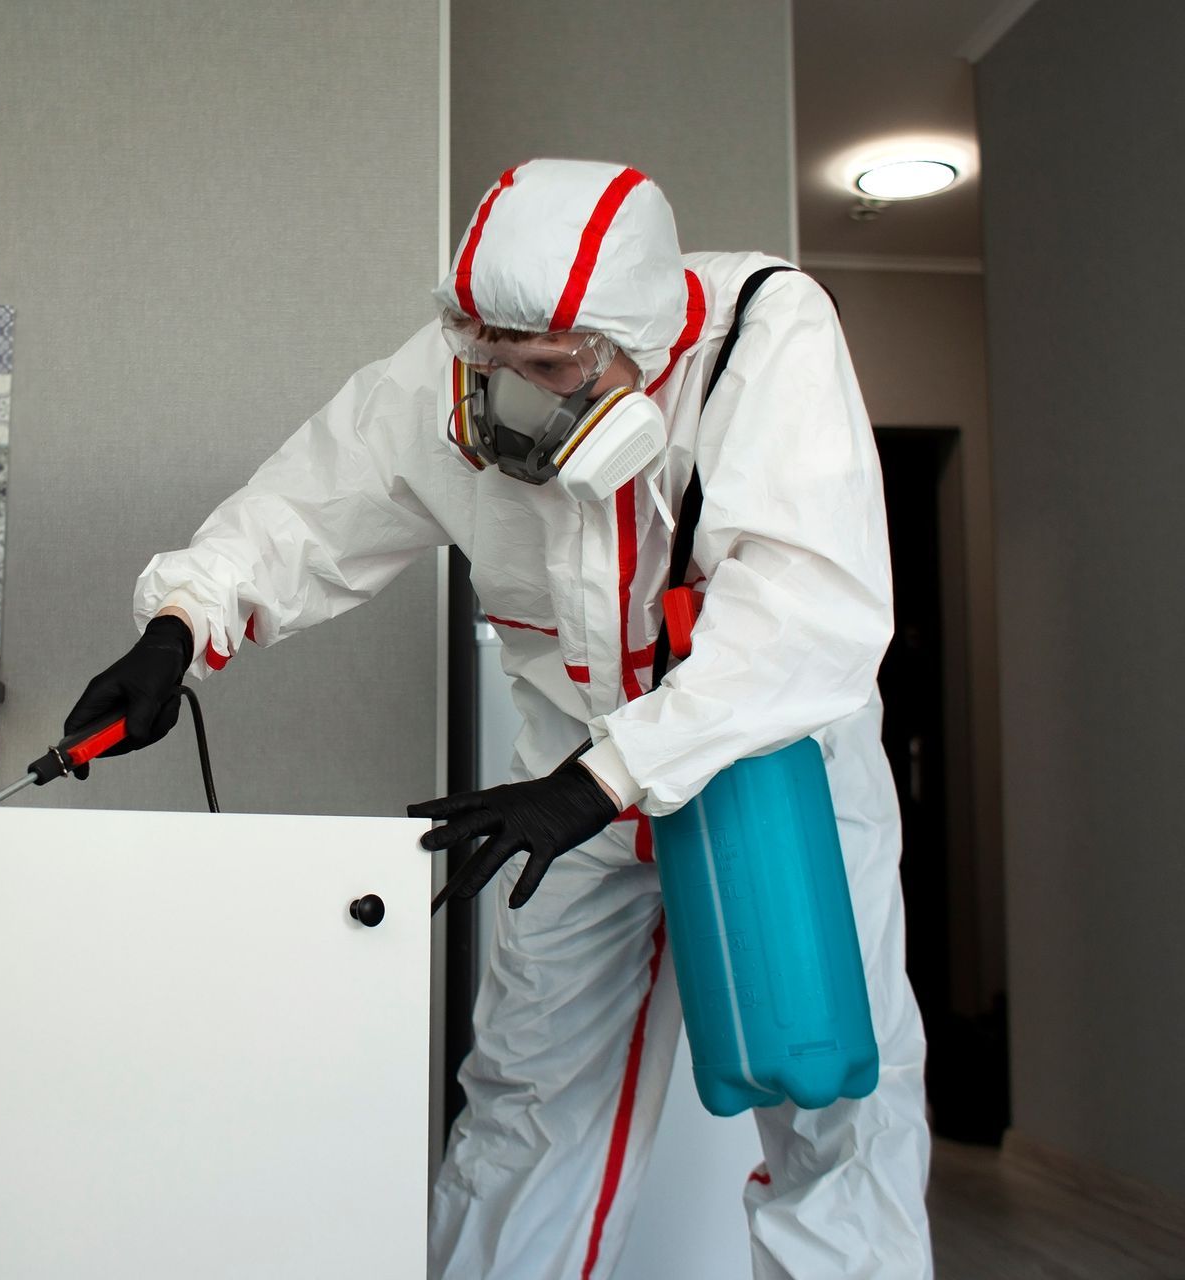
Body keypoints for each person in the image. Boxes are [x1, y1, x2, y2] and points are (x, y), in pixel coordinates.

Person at [63, 158, 931, 1279]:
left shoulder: (765, 337)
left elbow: (804, 614)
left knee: (831, 1104)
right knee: (526, 1101)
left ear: (642, 345)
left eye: (550, 366)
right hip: (569, 795)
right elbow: (307, 504)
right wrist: (178, 628)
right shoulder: (458, 361)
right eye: (493, 360)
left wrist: (601, 776)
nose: (513, 391)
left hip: (769, 773)